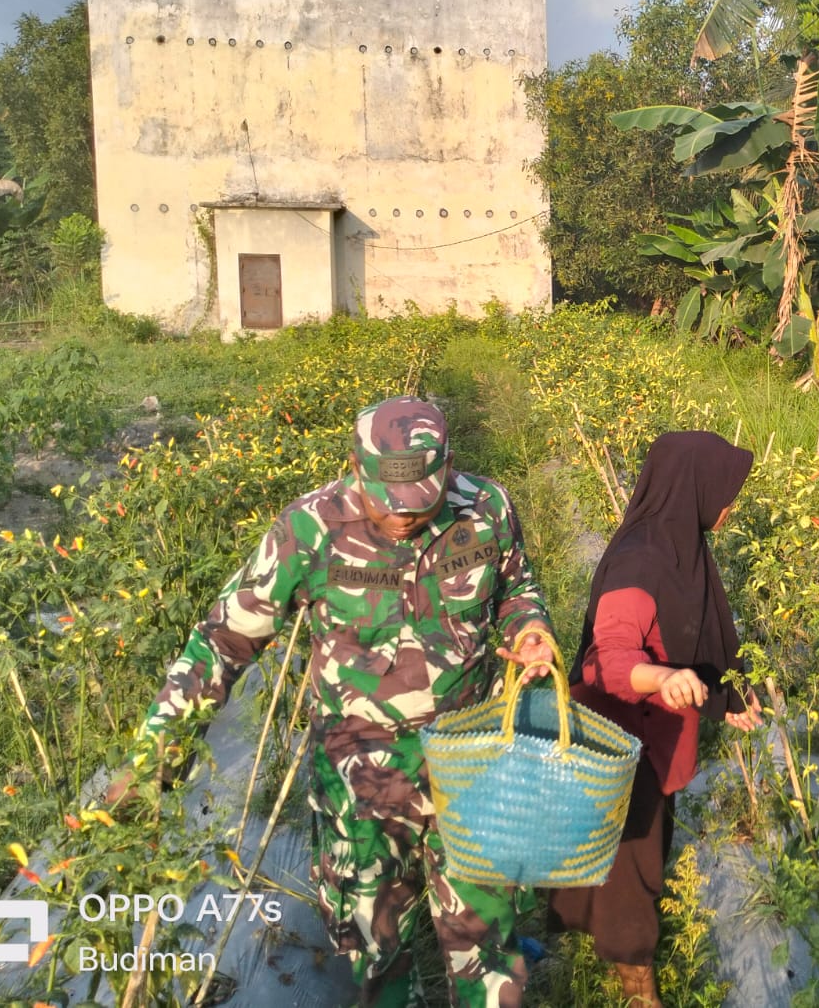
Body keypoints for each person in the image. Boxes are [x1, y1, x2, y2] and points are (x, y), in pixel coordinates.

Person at [109, 395, 556, 1008]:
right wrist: (153, 757)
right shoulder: (309, 531)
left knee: (490, 951)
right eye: (388, 503)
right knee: (375, 963)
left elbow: (515, 587)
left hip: (473, 768)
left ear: (449, 468)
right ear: (355, 465)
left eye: (420, 502)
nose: (403, 519)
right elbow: (222, 642)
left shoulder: (487, 509)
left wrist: (528, 629)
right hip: (362, 793)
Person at [547, 431, 765, 1008]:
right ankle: (639, 986)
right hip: (618, 745)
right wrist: (663, 678)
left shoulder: (679, 546)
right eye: (728, 494)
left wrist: (726, 697)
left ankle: (580, 924)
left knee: (622, 851)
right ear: (695, 489)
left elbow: (700, 636)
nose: (730, 506)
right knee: (631, 867)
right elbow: (610, 658)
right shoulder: (642, 561)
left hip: (654, 733)